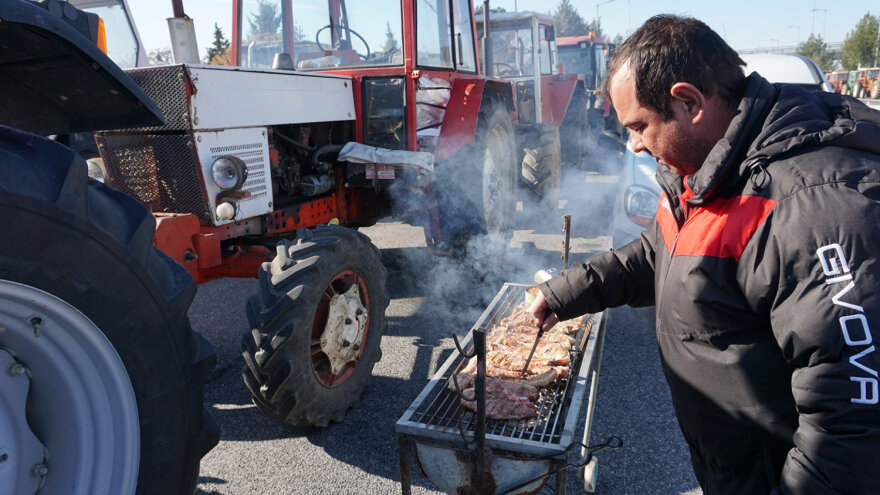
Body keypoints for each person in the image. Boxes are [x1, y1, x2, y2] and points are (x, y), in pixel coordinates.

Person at [528, 14, 880, 494]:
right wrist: (564, 293)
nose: (633, 145)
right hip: (732, 468)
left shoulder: (814, 207)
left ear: (689, 102)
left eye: (639, 126)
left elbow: (854, 421)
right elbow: (661, 252)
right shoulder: (704, 172)